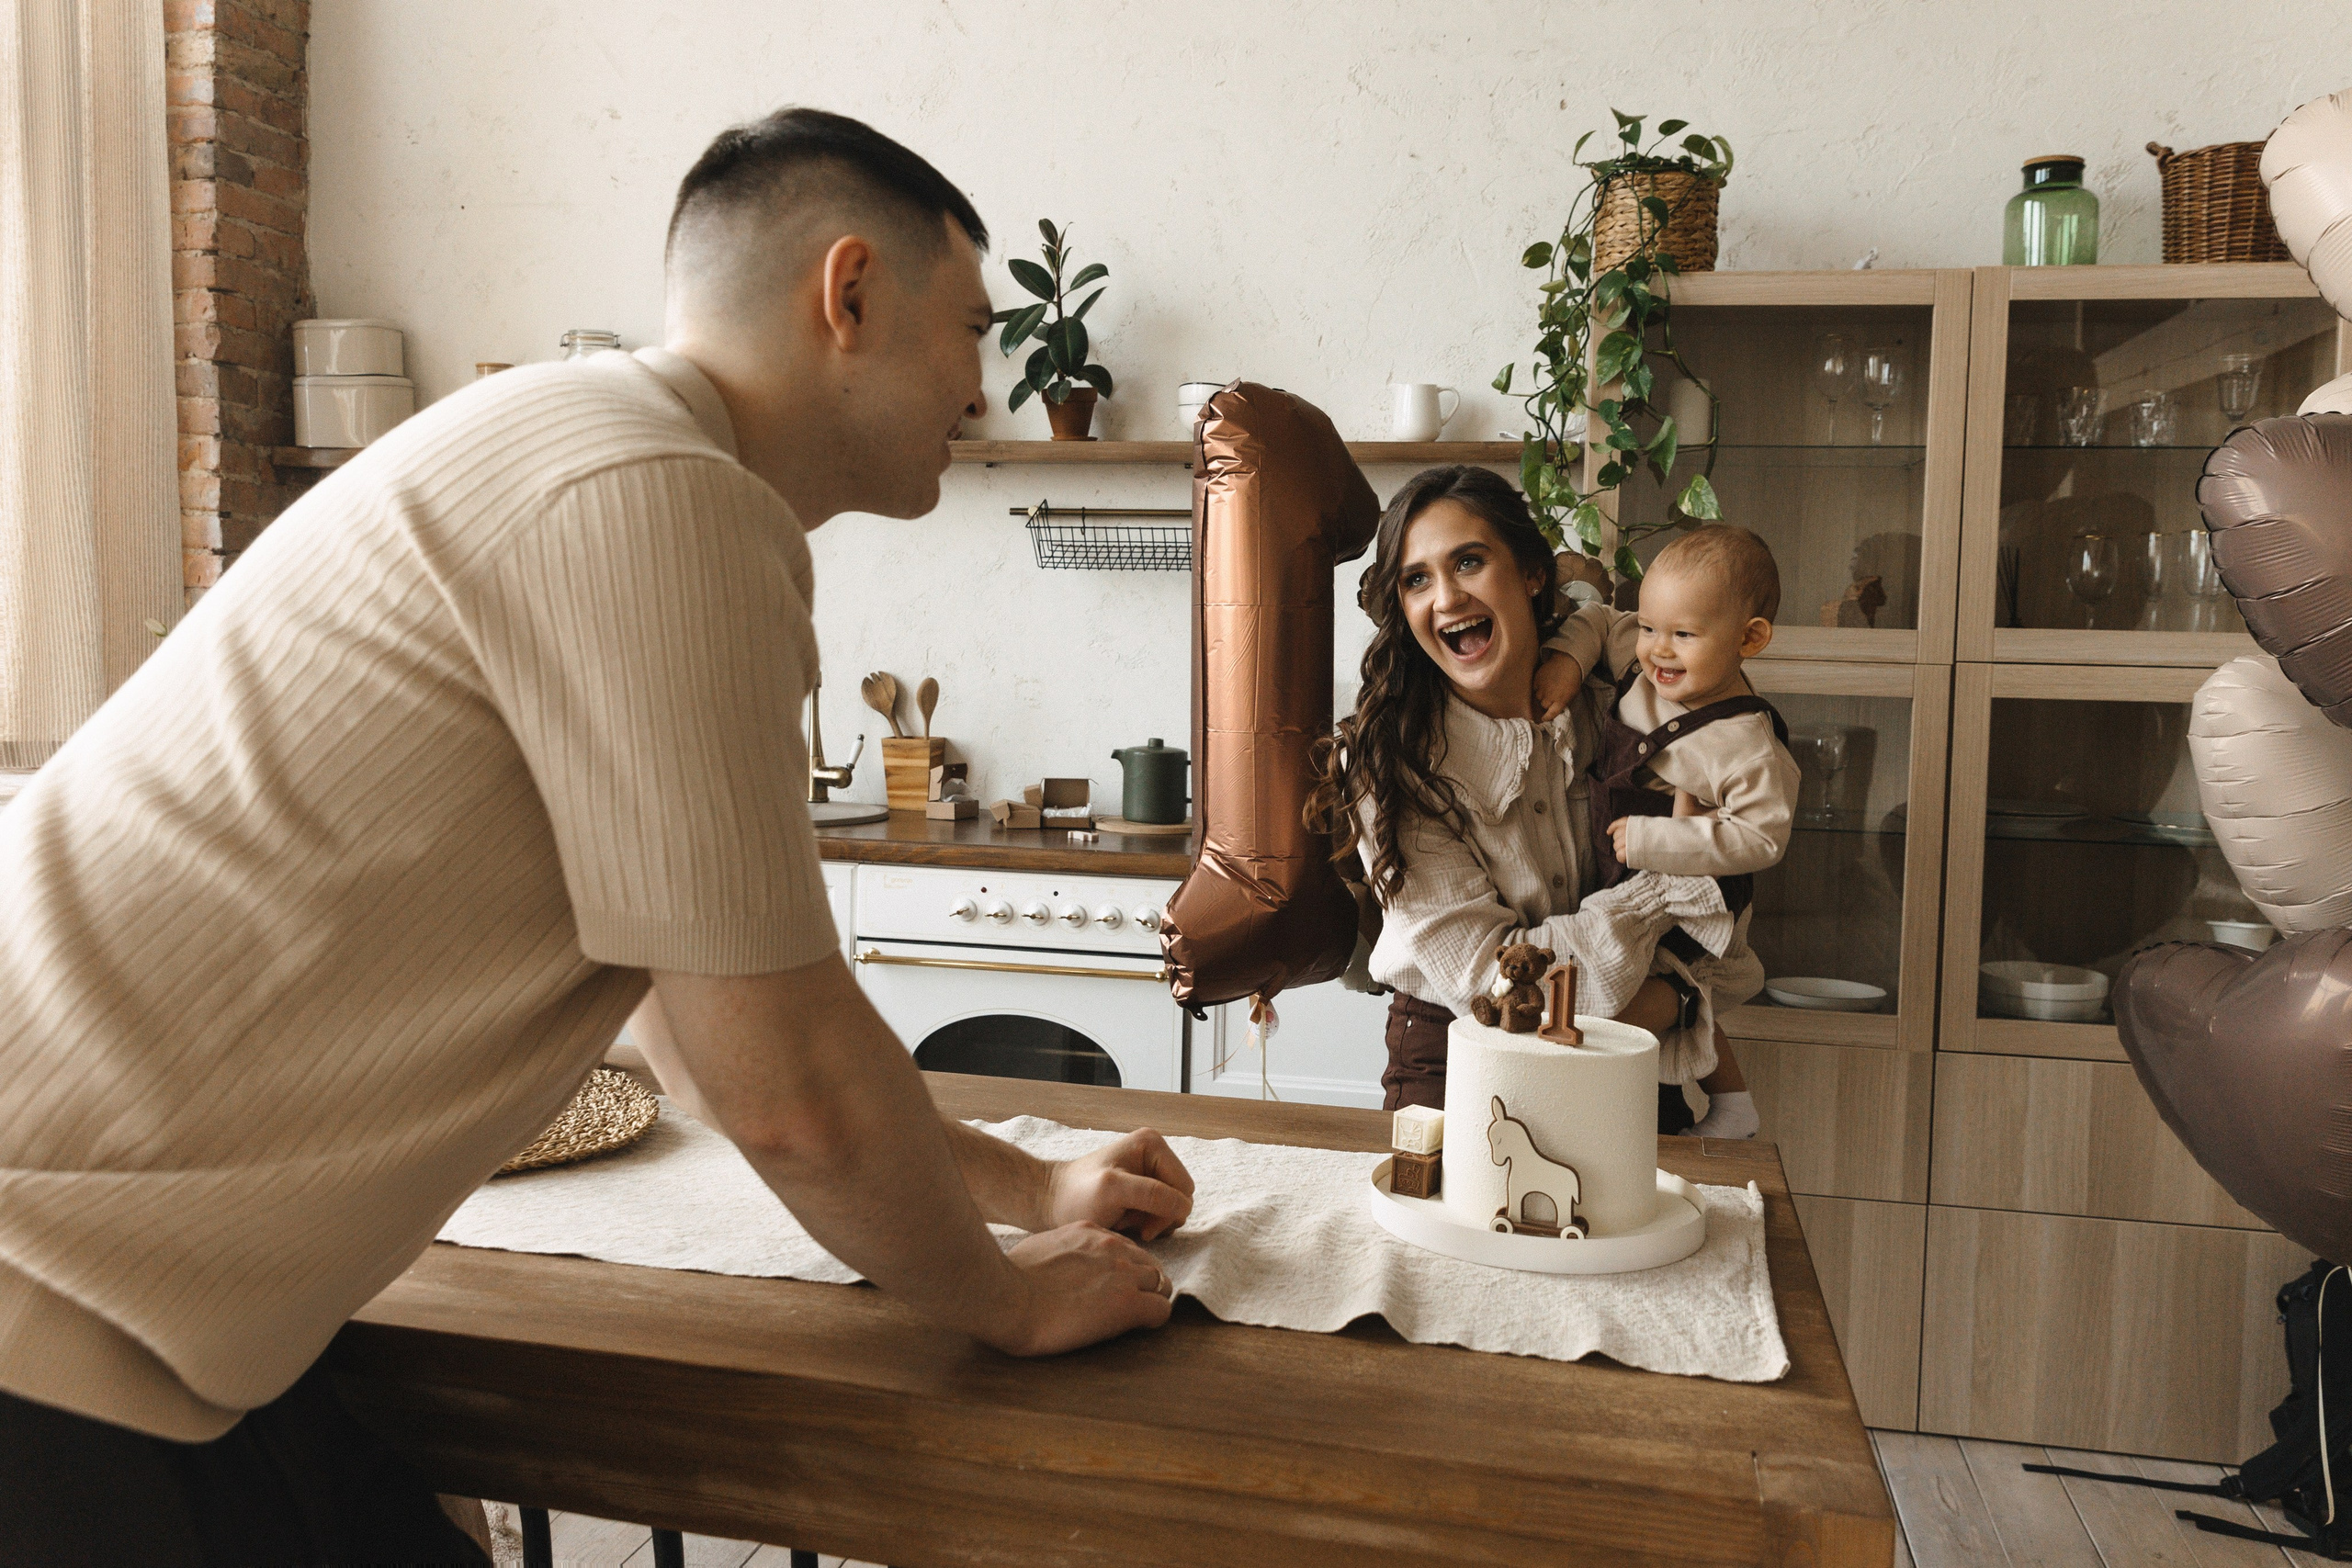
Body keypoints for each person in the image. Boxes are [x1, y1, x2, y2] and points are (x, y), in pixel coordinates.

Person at [0, 107, 1193, 1562]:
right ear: (852, 292)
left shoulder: (592, 447)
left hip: (145, 1327)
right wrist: (1002, 1297)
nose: (981, 381)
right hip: (51, 1317)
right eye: (970, 330)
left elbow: (695, 1027)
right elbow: (790, 1088)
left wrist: (1032, 1183)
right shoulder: (661, 495)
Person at [1306, 465, 1763, 1122]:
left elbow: (1729, 875)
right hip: (1464, 1058)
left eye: (1468, 561)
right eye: (1416, 579)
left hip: (1632, 1055)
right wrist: (1675, 994)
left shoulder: (1623, 707)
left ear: (1531, 573)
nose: (1445, 597)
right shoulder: (1386, 760)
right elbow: (1493, 981)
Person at [1528, 524, 1804, 1142]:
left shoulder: (1747, 743)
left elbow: (1763, 837)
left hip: (1695, 895)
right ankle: (1718, 1106)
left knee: (1652, 989)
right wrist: (1569, 661)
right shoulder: (1647, 660)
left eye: (1683, 634)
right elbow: (1599, 619)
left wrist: (1660, 841)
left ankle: (1726, 1107)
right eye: (1650, 626)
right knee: (1644, 985)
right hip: (1625, 874)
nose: (1656, 650)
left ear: (1749, 638)